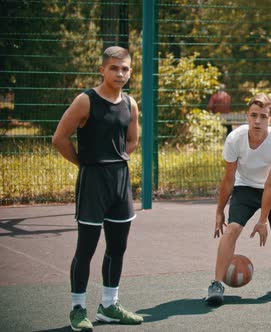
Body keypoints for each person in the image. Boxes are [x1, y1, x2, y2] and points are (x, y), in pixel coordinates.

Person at [52, 46, 143, 331]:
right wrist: (84, 164)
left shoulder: (131, 103)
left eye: (125, 68)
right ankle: (78, 309)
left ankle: (109, 306)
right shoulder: (85, 101)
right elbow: (59, 138)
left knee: (117, 247)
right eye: (114, 68)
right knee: (86, 249)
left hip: (120, 182)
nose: (120, 73)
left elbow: (132, 141)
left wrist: (116, 162)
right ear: (102, 70)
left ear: (130, 71)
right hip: (93, 181)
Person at [206, 93, 271, 306]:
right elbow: (229, 178)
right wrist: (219, 210)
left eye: (263, 116)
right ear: (247, 116)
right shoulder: (234, 139)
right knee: (232, 229)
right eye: (253, 115)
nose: (257, 121)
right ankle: (217, 284)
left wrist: (262, 220)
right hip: (245, 186)